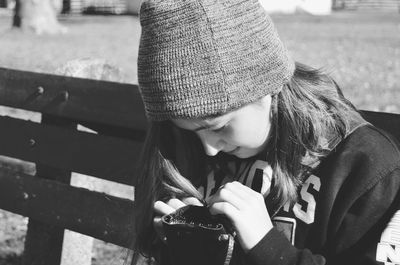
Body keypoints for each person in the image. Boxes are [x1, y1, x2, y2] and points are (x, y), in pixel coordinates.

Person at [131, 0, 400, 264]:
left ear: (264, 86)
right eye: (192, 132)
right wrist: (184, 247)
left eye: (219, 126)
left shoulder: (364, 168)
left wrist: (266, 245)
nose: (209, 149)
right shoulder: (186, 151)